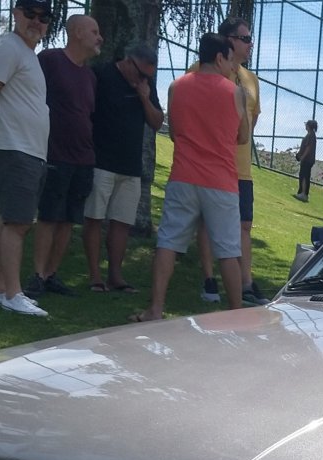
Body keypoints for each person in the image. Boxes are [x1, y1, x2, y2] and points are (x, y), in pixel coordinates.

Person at [130, 33, 248, 321]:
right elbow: (243, 137)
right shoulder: (234, 91)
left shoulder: (176, 87)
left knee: (168, 242)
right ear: (220, 57)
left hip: (183, 176)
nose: (232, 67)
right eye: (230, 61)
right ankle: (237, 315)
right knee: (229, 251)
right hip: (220, 182)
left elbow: (174, 133)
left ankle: (155, 309)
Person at [0, 0, 52, 316]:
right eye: (30, 14)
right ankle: (13, 294)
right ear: (16, 14)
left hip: (27, 150)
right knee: (18, 224)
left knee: (8, 220)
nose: (37, 21)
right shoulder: (9, 48)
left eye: (44, 17)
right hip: (15, 150)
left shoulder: (26, 54)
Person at [24, 14, 103, 300]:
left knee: (69, 218)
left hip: (84, 158)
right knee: (48, 216)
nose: (100, 37)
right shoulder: (50, 61)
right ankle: (37, 275)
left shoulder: (90, 76)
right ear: (78, 33)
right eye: (94, 31)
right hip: (55, 153)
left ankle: (51, 275)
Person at [193, 16, 264, 306]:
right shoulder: (200, 70)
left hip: (241, 169)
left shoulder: (251, 79)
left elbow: (252, 120)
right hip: (211, 164)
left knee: (243, 224)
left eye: (250, 39)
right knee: (208, 223)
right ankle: (209, 279)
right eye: (245, 39)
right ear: (229, 40)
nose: (250, 45)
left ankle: (246, 284)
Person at [83, 44, 163, 292]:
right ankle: (95, 276)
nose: (143, 79)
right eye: (140, 74)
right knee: (94, 218)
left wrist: (143, 95)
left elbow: (157, 122)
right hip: (101, 161)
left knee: (122, 222)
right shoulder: (101, 74)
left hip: (131, 166)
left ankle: (115, 276)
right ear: (128, 62)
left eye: (148, 76)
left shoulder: (145, 86)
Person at [294, 118, 316, 202]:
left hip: (307, 160)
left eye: (306, 124)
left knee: (304, 176)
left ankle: (304, 194)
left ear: (309, 126)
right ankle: (301, 192)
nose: (305, 126)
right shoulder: (309, 135)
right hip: (306, 159)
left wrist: (303, 157)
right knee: (302, 175)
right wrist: (299, 154)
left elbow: (308, 148)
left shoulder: (311, 135)